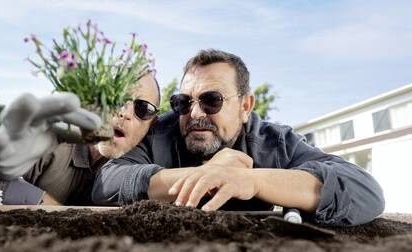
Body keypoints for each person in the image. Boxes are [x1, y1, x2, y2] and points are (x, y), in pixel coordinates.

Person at [92, 49, 385, 226]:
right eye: (183, 102)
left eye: (211, 100)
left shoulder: (274, 141)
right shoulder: (161, 131)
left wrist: (252, 181)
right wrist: (207, 174)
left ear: (245, 107)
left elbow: (364, 191)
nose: (194, 114)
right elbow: (107, 183)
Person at [0, 73, 160, 205]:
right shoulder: (48, 138)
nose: (124, 112)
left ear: (153, 123)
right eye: (115, 96)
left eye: (143, 108)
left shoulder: (151, 169)